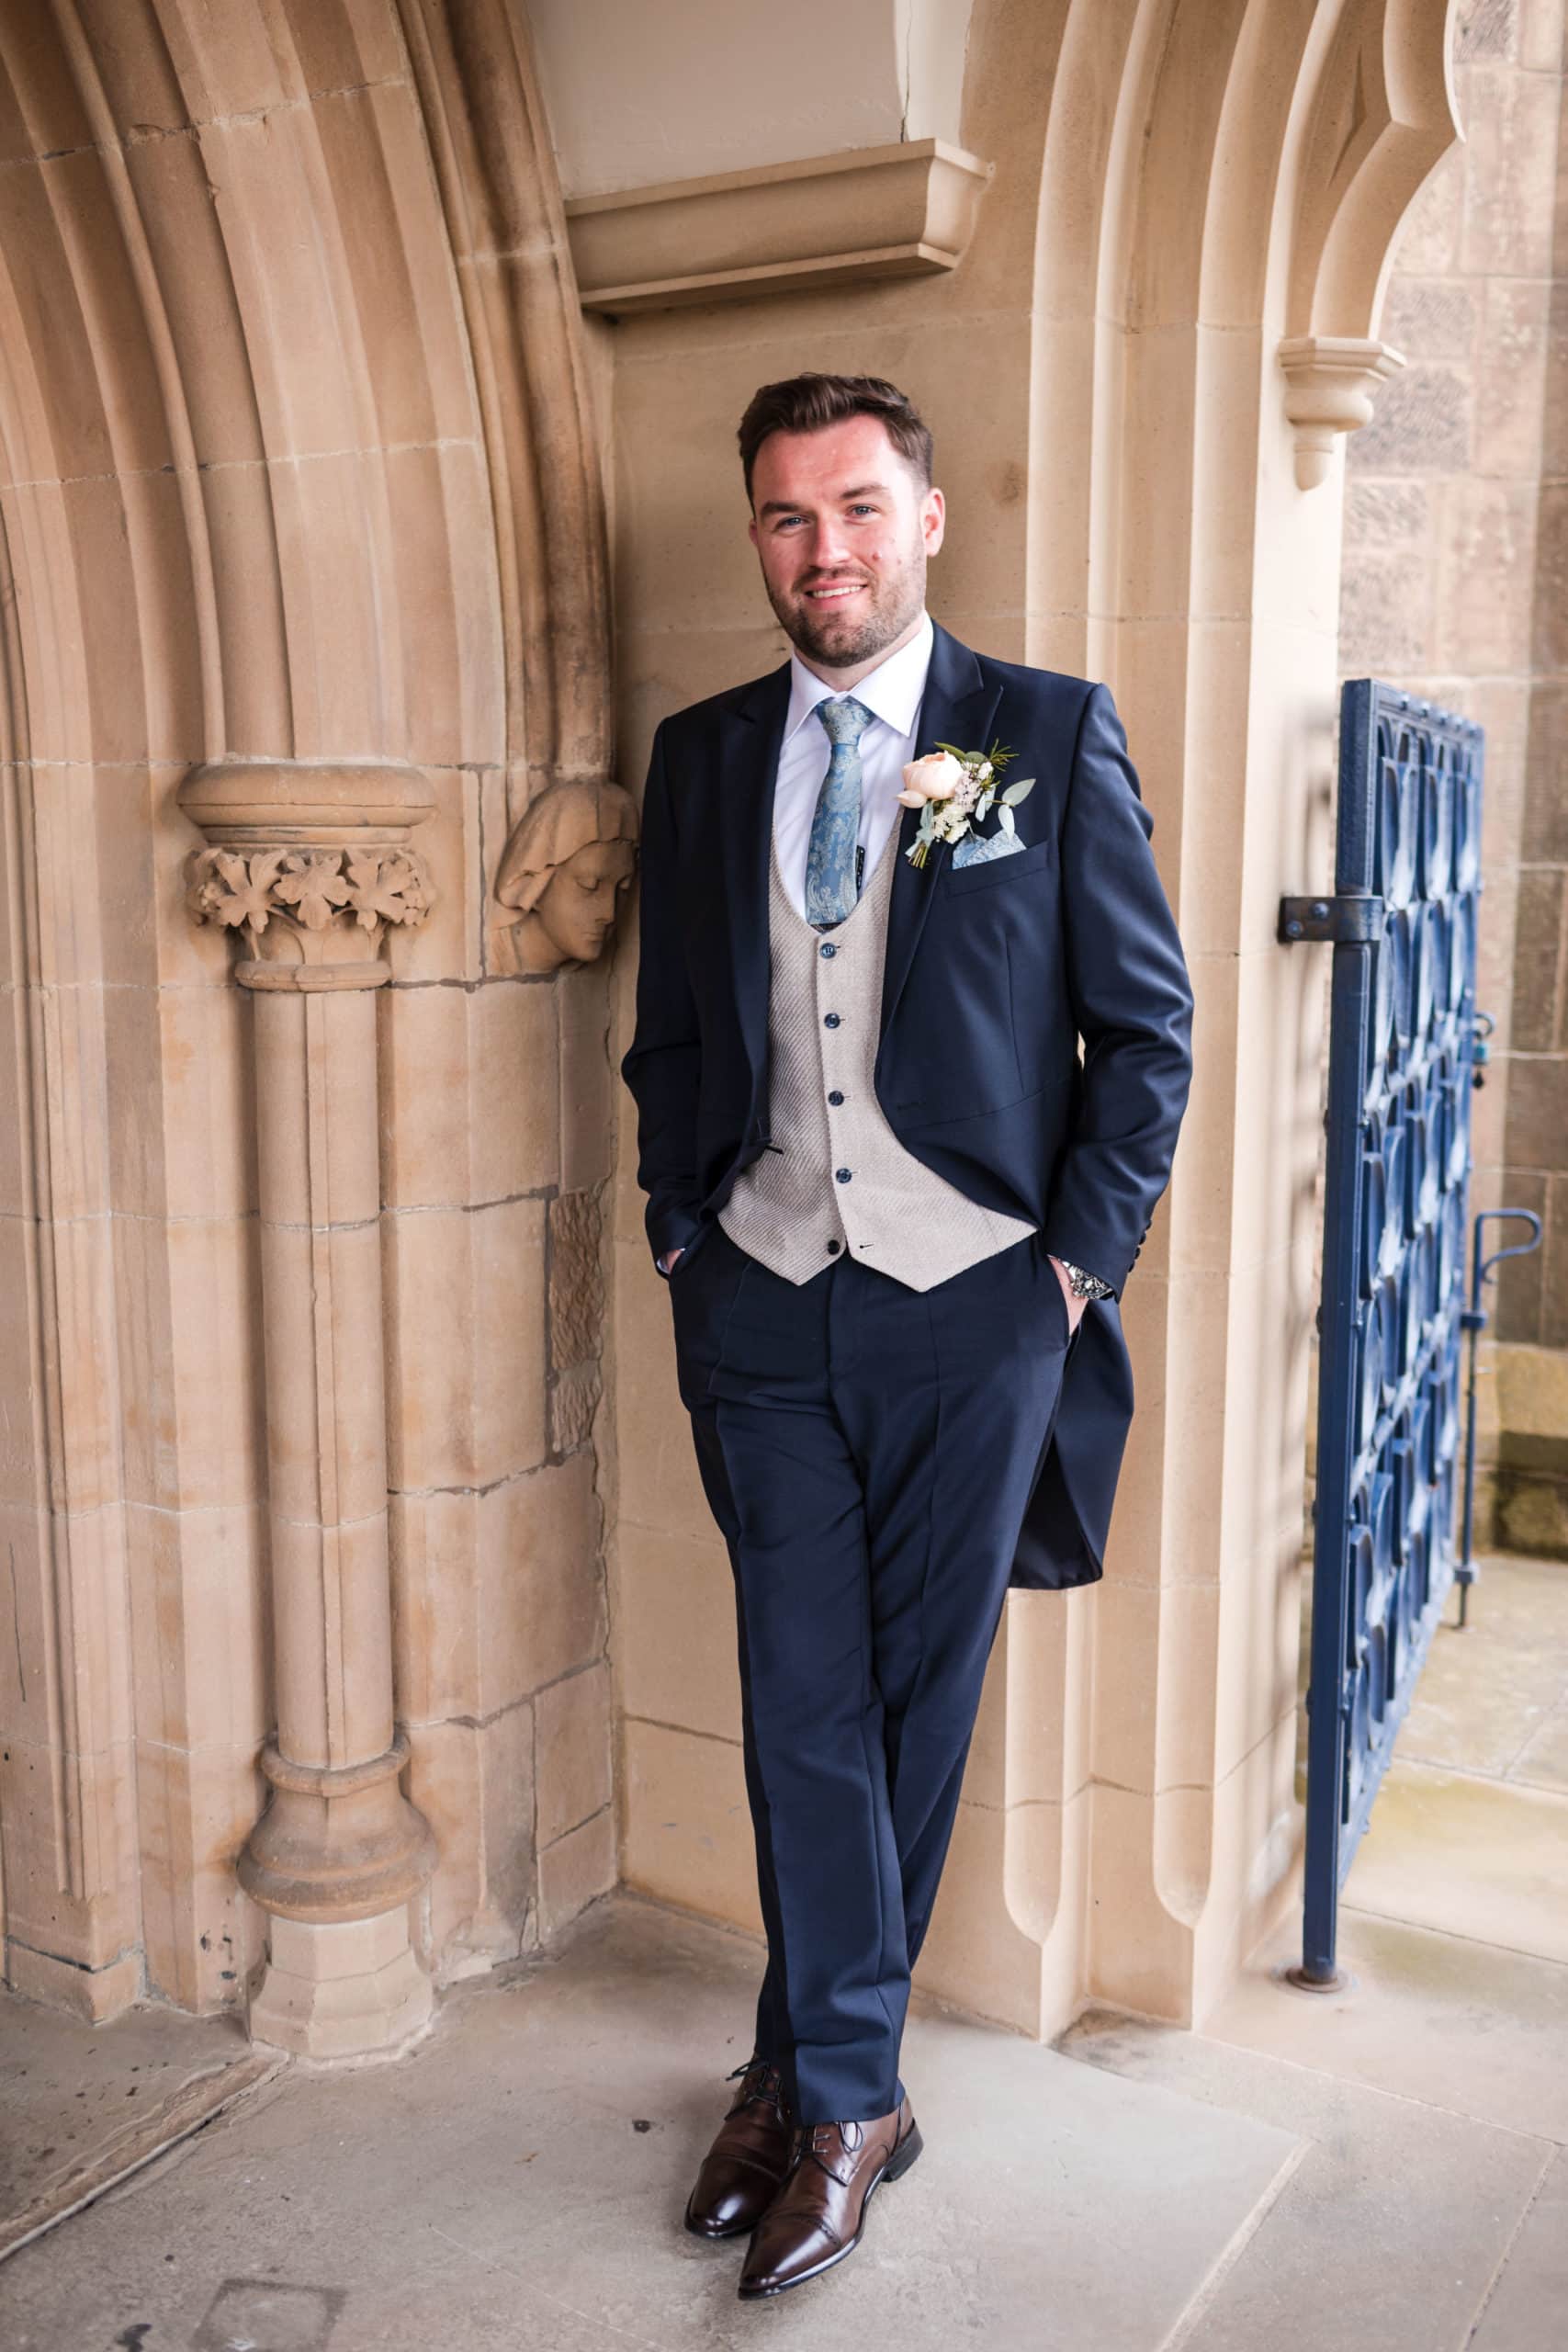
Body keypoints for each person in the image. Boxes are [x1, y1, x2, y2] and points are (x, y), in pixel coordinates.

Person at [619, 373, 1194, 2301]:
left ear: (925, 519)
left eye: (856, 508)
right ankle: (850, 2088)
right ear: (759, 541)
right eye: (786, 519)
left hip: (976, 1307)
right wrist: (679, 1224)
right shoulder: (702, 755)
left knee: (907, 1712)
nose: (823, 552)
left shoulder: (1038, 731)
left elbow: (1145, 1029)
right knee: (804, 1701)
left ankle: (810, 2072)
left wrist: (1068, 1267)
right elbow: (679, 1028)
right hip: (761, 1291)